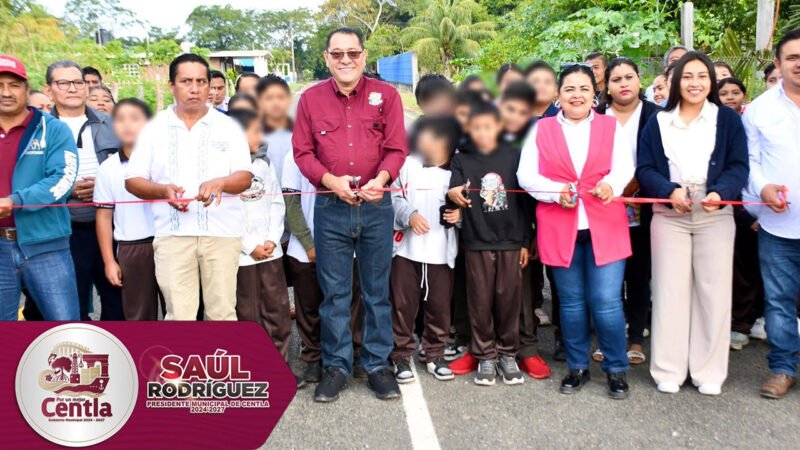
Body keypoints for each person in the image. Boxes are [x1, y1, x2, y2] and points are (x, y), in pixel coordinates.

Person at [292, 27, 407, 402]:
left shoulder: (387, 95)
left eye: (353, 53)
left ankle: (376, 365)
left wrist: (383, 178)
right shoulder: (310, 100)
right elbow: (303, 153)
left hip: (377, 205)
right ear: (326, 57)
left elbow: (396, 148)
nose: (346, 60)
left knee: (377, 293)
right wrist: (330, 180)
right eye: (337, 54)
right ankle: (337, 366)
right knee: (335, 294)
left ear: (364, 55)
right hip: (331, 205)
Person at [518, 64, 635, 399]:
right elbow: (526, 175)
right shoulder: (539, 129)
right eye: (569, 88)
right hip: (559, 223)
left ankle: (615, 369)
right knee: (570, 302)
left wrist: (611, 184)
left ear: (594, 93)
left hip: (605, 224)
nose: (577, 95)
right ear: (558, 95)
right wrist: (556, 192)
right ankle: (577, 367)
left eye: (584, 88)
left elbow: (625, 166)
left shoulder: (611, 127)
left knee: (607, 302)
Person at [637, 51, 749, 396]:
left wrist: (721, 193)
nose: (695, 83)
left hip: (714, 211)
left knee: (713, 292)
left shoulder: (727, 120)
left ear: (711, 82)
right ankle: (669, 369)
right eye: (687, 76)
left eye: (702, 76)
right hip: (670, 213)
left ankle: (708, 372)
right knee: (670, 291)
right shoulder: (659, 121)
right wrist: (668, 190)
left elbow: (737, 166)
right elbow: (645, 170)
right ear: (675, 82)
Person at [126, 53, 253, 321]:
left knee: (222, 313)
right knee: (179, 315)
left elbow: (245, 178)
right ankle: (183, 363)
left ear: (210, 85)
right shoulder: (153, 128)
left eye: (201, 81)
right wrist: (163, 191)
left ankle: (220, 363)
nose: (194, 89)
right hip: (172, 234)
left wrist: (221, 183)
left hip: (222, 233)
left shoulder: (228, 126)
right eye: (186, 81)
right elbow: (133, 180)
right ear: (172, 86)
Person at [446, 101, 532, 386]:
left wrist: (524, 241)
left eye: (489, 126)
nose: (483, 132)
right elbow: (454, 191)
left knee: (508, 299)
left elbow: (525, 202)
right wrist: (455, 193)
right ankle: (485, 355)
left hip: (510, 240)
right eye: (476, 127)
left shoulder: (514, 156)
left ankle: (508, 353)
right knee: (480, 300)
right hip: (476, 240)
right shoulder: (462, 158)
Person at [742, 29, 800, 399]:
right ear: (778, 64)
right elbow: (749, 161)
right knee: (779, 301)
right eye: (792, 57)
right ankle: (783, 367)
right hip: (779, 226)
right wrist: (762, 188)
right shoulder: (760, 109)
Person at [0, 55, 79, 320]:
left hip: (47, 245)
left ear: (26, 88)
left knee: (64, 329)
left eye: (13, 85)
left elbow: (63, 179)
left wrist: (15, 200)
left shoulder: (53, 129)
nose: (6, 93)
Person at [43, 60, 122, 320]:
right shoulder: (39, 129)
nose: (73, 89)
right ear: (49, 89)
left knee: (117, 301)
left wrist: (104, 187)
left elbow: (131, 169)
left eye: (78, 82)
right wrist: (69, 190)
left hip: (111, 228)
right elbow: (30, 180)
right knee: (70, 307)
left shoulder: (112, 123)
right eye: (63, 83)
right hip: (63, 230)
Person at [282, 150, 366, 388]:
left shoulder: (348, 151)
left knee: (350, 302)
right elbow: (291, 202)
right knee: (309, 305)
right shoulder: (293, 157)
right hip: (306, 248)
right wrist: (308, 243)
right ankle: (313, 356)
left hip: (346, 244)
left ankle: (354, 351)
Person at [390, 116, 461, 383]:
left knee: (439, 307)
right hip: (406, 251)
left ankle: (434, 353)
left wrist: (459, 217)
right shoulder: (408, 166)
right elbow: (394, 195)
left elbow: (465, 206)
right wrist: (409, 215)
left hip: (441, 254)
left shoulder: (455, 172)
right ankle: (400, 355)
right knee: (402, 306)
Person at [602, 57, 662, 366]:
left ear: (639, 81)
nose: (623, 83)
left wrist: (637, 183)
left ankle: (636, 337)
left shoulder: (657, 116)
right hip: (603, 207)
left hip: (645, 206)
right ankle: (608, 337)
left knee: (639, 274)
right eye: (616, 79)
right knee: (610, 277)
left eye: (629, 77)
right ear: (607, 87)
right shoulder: (596, 116)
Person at [229, 108, 291, 359]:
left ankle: (279, 362)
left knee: (277, 309)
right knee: (247, 312)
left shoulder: (264, 164)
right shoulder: (228, 172)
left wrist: (271, 240)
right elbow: (227, 213)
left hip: (270, 252)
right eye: (255, 131)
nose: (261, 135)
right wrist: (250, 245)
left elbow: (277, 202)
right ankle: (254, 365)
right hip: (243, 256)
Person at [94, 98, 159, 320]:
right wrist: (110, 261)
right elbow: (103, 216)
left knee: (179, 310)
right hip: (132, 247)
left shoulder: (163, 160)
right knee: (138, 314)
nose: (128, 125)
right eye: (120, 119)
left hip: (169, 242)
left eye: (135, 119)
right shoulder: (108, 168)